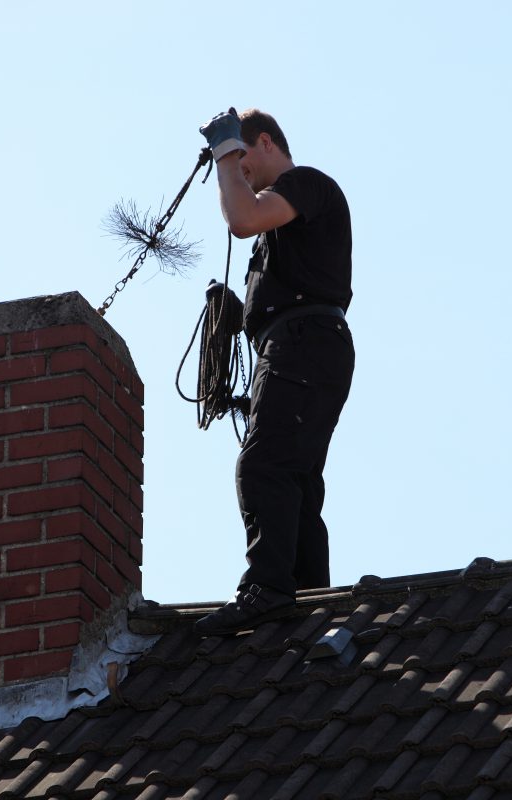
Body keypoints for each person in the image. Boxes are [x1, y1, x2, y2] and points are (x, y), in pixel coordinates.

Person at [193, 108, 355, 636]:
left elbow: (241, 220)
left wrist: (223, 152)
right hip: (299, 346)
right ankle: (307, 597)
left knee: (262, 465)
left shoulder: (305, 184)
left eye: (244, 161)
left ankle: (268, 588)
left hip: (304, 345)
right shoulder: (280, 229)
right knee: (296, 480)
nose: (237, 175)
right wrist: (239, 316)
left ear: (264, 143)